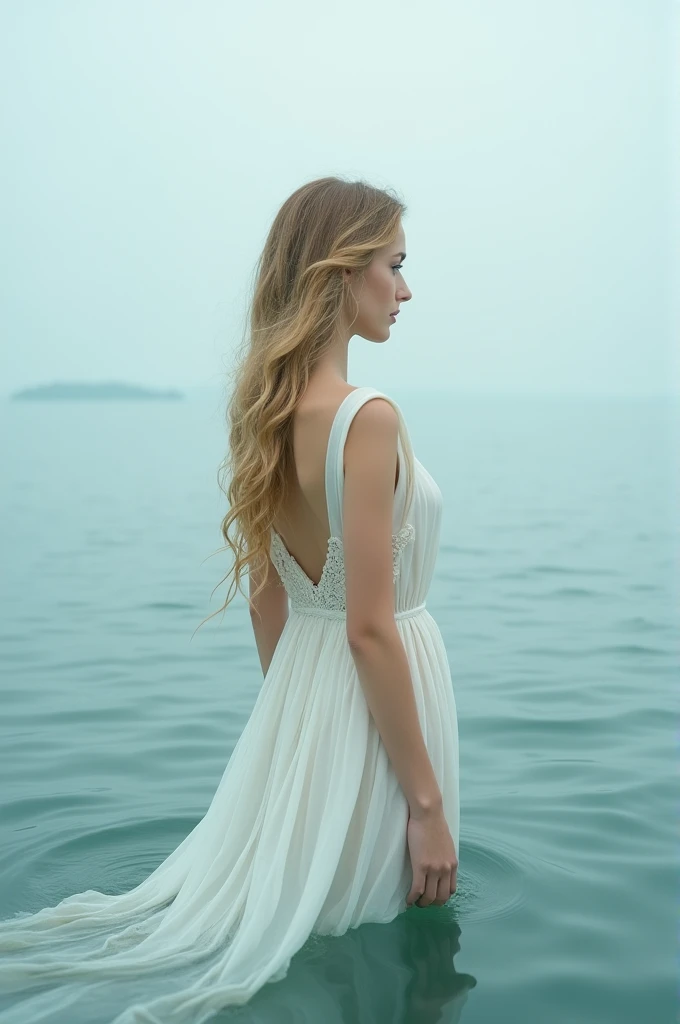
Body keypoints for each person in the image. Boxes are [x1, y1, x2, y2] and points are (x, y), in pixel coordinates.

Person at [0, 176, 460, 1024]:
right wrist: (426, 804)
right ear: (341, 271)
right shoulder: (370, 418)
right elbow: (368, 625)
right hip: (377, 721)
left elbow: (264, 601)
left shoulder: (268, 411)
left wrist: (298, 733)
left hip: (307, 708)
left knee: (285, 923)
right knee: (377, 948)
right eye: (394, 266)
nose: (406, 289)